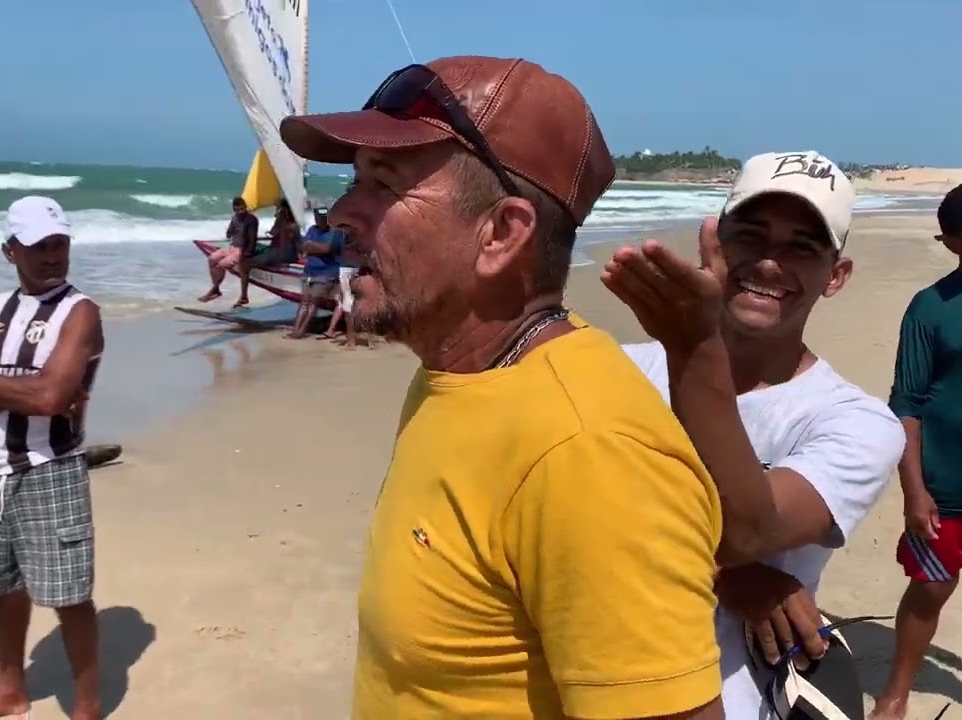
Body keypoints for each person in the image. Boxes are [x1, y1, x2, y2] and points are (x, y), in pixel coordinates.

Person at [280, 55, 724, 719]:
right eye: (353, 181)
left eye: (383, 184)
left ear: (502, 234)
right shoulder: (458, 374)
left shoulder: (590, 453)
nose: (342, 213)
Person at [600, 151, 905, 719]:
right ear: (712, 241)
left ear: (835, 277)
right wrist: (727, 573)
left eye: (802, 248)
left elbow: (747, 531)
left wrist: (694, 347)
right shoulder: (617, 369)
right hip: (589, 679)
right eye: (752, 235)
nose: (769, 262)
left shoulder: (856, 423)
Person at [0, 195, 105, 720]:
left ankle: (86, 707)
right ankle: (11, 690)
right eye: (38, 246)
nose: (51, 256)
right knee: (5, 587)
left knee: (69, 594)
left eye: (59, 244)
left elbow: (50, 400)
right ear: (9, 251)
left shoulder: (79, 312)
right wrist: (6, 387)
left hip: (51, 470)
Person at [871, 179, 962, 720]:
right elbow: (905, 404)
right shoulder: (931, 308)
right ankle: (895, 694)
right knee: (930, 591)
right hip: (947, 490)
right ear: (951, 241)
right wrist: (915, 491)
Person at [285, 207, 343, 339]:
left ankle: (301, 331)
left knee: (312, 303)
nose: (321, 220)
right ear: (316, 217)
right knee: (304, 303)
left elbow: (327, 249)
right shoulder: (312, 229)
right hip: (310, 271)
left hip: (326, 273)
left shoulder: (335, 232)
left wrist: (312, 247)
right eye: (319, 217)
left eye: (324, 217)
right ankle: (296, 329)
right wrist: (315, 247)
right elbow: (304, 246)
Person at [198, 195, 259, 305]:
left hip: (242, 249)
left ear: (245, 207)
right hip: (232, 247)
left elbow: (252, 239)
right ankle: (216, 289)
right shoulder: (235, 218)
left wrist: (247, 254)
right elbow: (229, 234)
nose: (240, 212)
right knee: (212, 259)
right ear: (234, 209)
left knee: (221, 264)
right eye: (237, 210)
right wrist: (230, 231)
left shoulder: (251, 220)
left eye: (242, 209)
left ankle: (215, 290)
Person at [324, 232, 360, 348]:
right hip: (359, 267)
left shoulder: (340, 230)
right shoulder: (360, 228)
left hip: (345, 267)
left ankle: (351, 341)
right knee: (357, 301)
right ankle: (370, 341)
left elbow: (333, 248)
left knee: (347, 304)